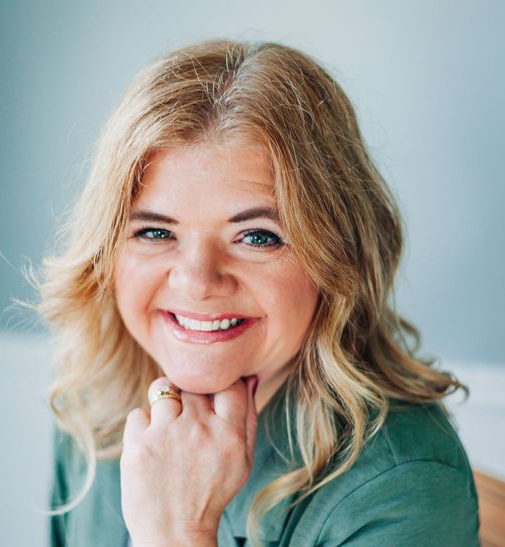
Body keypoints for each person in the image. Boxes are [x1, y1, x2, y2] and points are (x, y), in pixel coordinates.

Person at [39, 39, 480, 546]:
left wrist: (178, 532)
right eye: (156, 232)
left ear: (335, 254)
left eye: (257, 237)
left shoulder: (407, 488)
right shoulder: (93, 403)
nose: (198, 281)